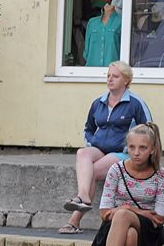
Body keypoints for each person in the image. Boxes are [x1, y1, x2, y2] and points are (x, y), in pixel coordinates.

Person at [60, 61, 152, 235]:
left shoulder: (135, 103)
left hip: (123, 153)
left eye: (115, 76)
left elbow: (149, 130)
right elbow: (88, 128)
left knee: (92, 171)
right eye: (108, 75)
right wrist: (91, 142)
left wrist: (132, 149)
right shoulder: (99, 102)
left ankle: (74, 219)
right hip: (100, 148)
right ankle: (83, 195)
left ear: (126, 80)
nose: (110, 79)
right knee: (82, 153)